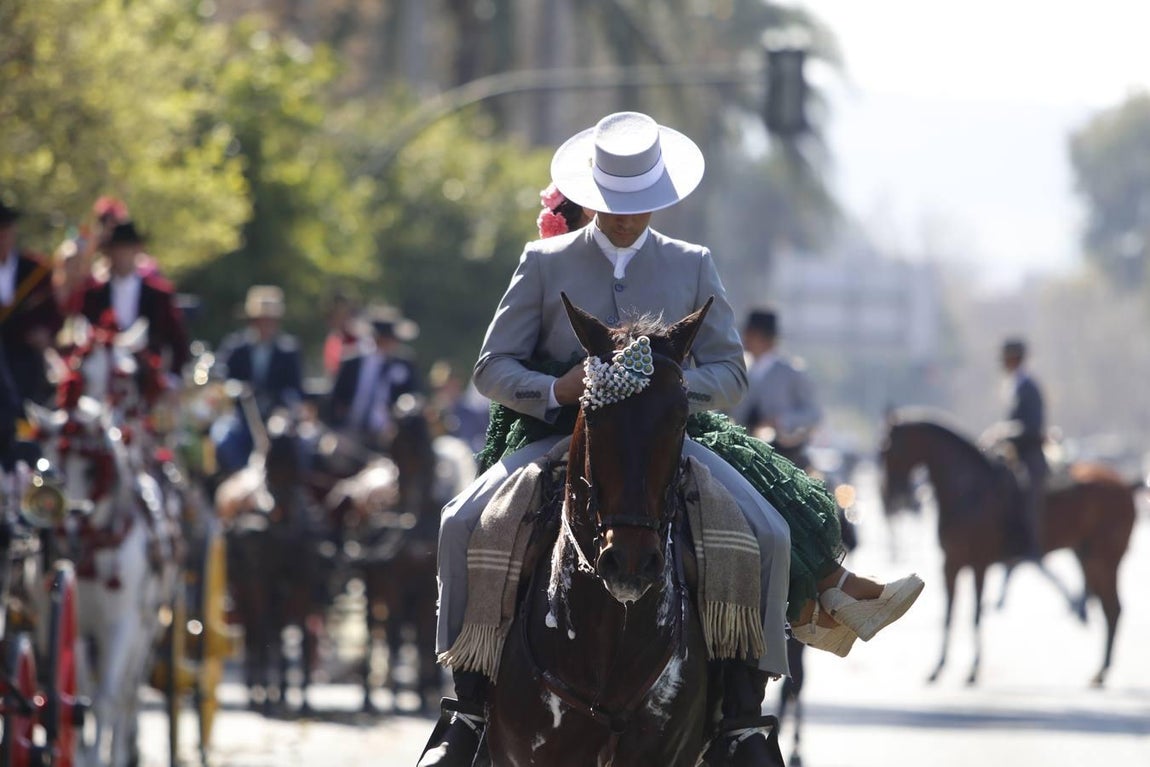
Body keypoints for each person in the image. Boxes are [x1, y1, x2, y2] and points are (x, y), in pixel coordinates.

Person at [421, 112, 923, 767]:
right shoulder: (544, 262)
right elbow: (492, 366)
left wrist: (669, 389)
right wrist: (561, 388)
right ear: (592, 196)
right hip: (561, 437)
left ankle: (743, 716)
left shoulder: (691, 264)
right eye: (614, 205)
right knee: (462, 518)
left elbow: (730, 370)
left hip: (664, 442)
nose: (627, 217)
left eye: (639, 205)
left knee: (767, 532)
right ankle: (465, 709)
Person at [211, 285, 304, 473]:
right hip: (240, 416)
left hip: (274, 415)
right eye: (262, 320)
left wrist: (284, 412)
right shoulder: (236, 346)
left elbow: (295, 390)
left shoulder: (288, 350)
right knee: (223, 437)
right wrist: (235, 388)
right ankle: (237, 479)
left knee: (296, 444)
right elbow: (219, 375)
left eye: (271, 321)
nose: (267, 325)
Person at [79, 221, 190, 376]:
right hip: (104, 374)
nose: (122, 255)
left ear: (138, 250)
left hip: (149, 378)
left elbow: (177, 341)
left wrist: (171, 379)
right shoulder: (92, 294)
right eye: (117, 249)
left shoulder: (159, 294)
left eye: (127, 249)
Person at [731, 308, 822, 470]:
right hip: (743, 452)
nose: (744, 339)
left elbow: (813, 413)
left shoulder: (791, 372)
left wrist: (781, 421)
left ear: (765, 338)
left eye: (750, 334)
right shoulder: (741, 370)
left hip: (784, 453)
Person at [325, 306, 421, 451]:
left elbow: (413, 398)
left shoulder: (405, 364)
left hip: (389, 437)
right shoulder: (352, 361)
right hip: (350, 433)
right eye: (382, 337)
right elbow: (335, 399)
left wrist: (396, 424)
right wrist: (335, 429)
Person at [0, 199, 63, 406]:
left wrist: (44, 332)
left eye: (6, 229)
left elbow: (54, 313)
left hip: (26, 362)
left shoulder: (35, 271)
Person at [999, 337, 1047, 559]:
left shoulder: (1028, 387)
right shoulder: (1015, 386)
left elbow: (1032, 427)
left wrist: (1006, 433)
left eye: (1006, 357)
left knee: (1027, 488)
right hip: (1016, 453)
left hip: (1030, 453)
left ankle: (1032, 543)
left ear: (1014, 359)